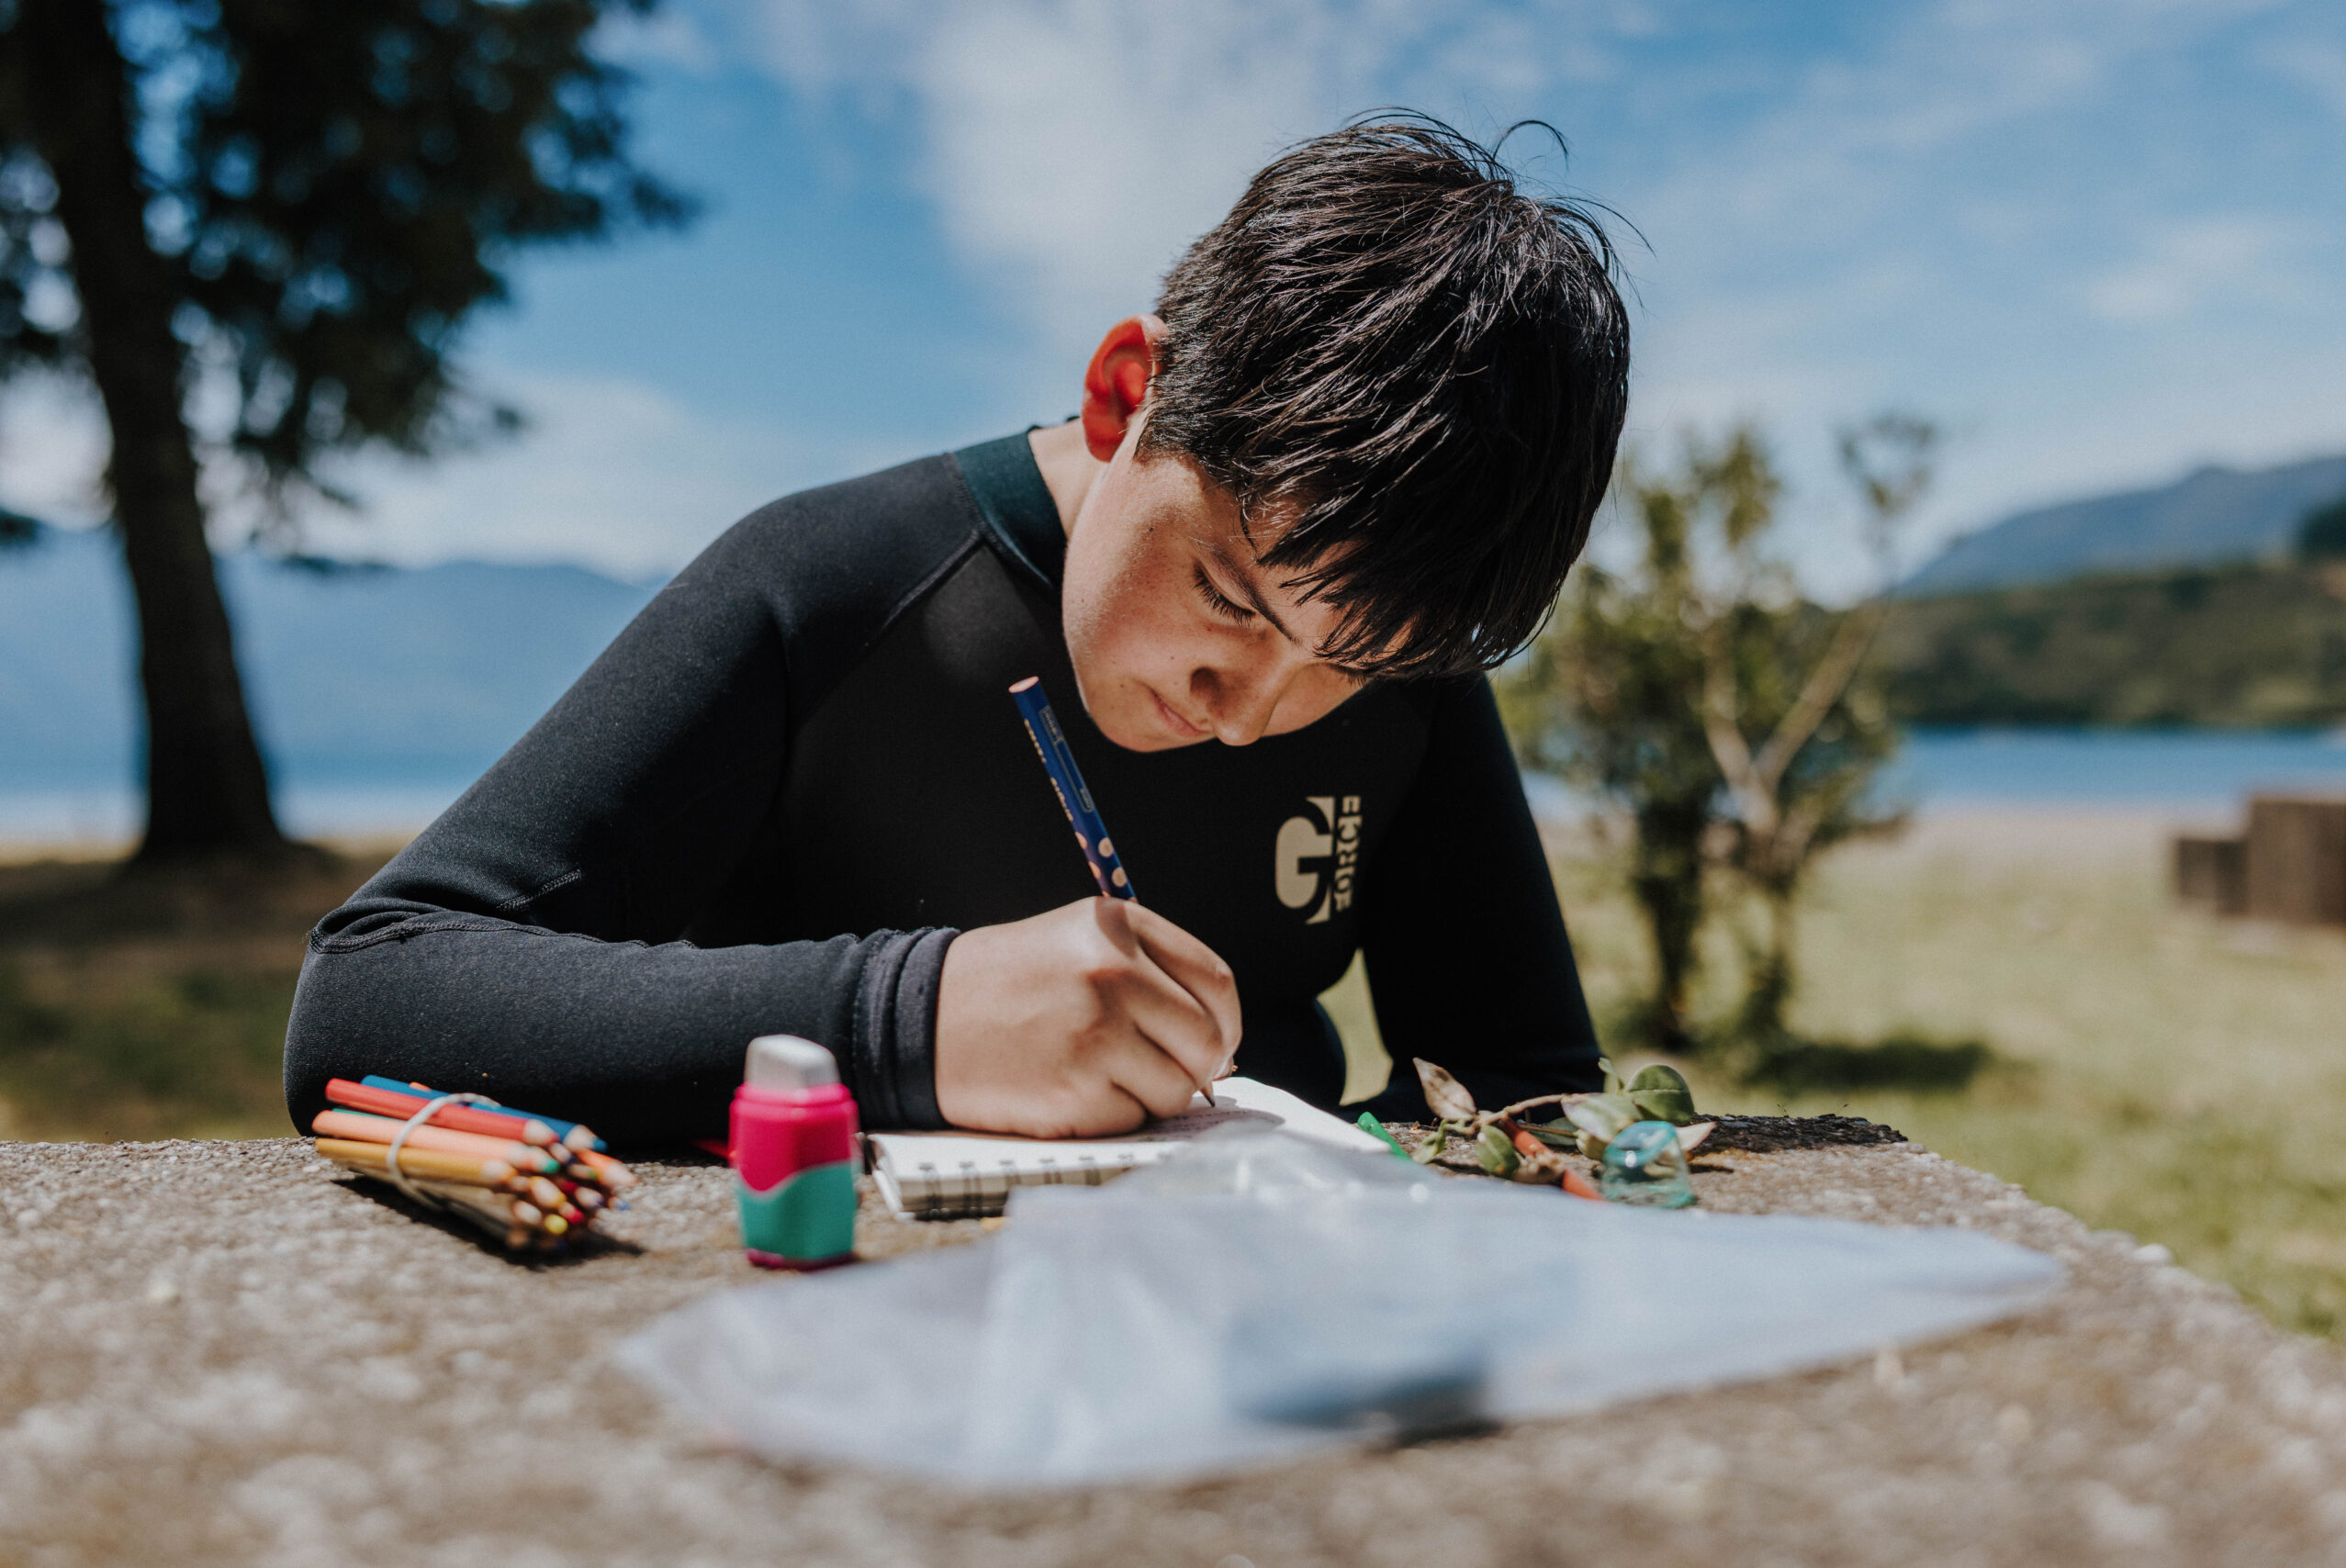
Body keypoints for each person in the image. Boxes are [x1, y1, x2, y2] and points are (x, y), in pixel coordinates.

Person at [283, 116, 1632, 1146]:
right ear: (1126, 395)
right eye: (1229, 595)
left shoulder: (1390, 646)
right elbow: (369, 997)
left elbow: (1524, 1083)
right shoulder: (831, 583)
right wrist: (908, 1017)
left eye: (1352, 668)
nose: (1254, 704)